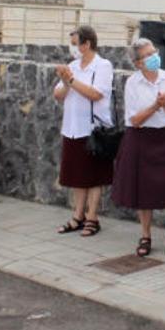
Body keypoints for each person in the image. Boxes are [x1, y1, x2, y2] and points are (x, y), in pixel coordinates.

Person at [112, 38, 165, 257]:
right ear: (138, 63)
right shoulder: (133, 83)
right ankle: (145, 235)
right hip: (142, 137)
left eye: (154, 51)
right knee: (143, 188)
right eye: (148, 54)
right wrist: (156, 105)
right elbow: (135, 119)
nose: (154, 56)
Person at [53, 26, 115, 238]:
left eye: (74, 44)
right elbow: (59, 95)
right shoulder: (73, 66)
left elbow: (96, 94)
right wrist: (65, 81)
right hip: (72, 127)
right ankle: (78, 216)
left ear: (86, 44)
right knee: (78, 176)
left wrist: (71, 80)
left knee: (94, 176)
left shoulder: (103, 66)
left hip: (92, 128)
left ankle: (92, 217)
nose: (72, 49)